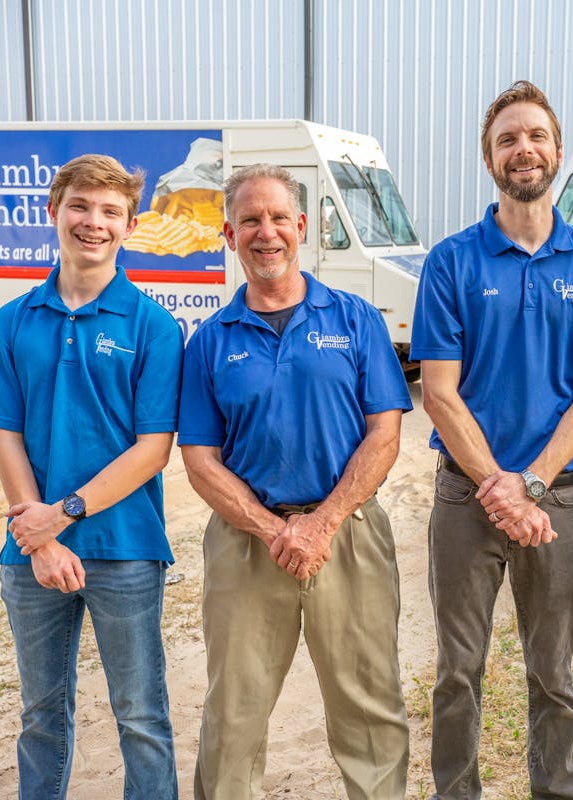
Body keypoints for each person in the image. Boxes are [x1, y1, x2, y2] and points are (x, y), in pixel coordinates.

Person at [410, 81, 573, 800]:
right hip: (464, 500)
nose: (522, 148)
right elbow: (440, 392)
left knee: (553, 674)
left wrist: (528, 483)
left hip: (555, 500)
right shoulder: (451, 261)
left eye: (535, 136)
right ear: (489, 157)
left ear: (557, 152)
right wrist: (500, 488)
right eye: (507, 138)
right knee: (457, 672)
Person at [179, 163, 412, 800]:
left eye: (279, 217)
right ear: (229, 234)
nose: (266, 232)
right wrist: (274, 528)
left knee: (369, 710)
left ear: (302, 227)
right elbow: (200, 461)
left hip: (350, 535)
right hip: (247, 541)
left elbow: (384, 436)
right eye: (250, 220)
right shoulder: (209, 342)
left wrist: (323, 523)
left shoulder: (357, 319)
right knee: (234, 712)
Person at [0, 154, 183, 799]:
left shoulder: (153, 326)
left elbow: (154, 449)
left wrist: (60, 516)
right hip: (30, 553)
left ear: (130, 225)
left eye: (110, 212)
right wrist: (39, 537)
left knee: (141, 716)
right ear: (53, 213)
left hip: (125, 551)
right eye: (81, 207)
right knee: (40, 716)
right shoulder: (11, 322)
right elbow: (4, 435)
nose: (94, 223)